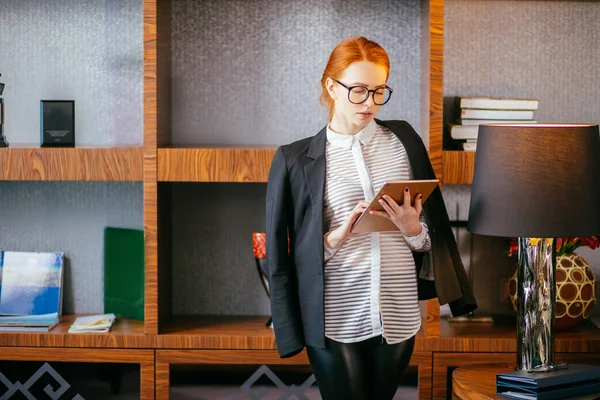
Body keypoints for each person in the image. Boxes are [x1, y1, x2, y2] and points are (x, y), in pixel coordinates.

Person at [265, 36, 476, 400]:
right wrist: (335, 237)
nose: (370, 103)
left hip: (399, 313)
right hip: (334, 317)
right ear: (331, 87)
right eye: (359, 90)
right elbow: (280, 255)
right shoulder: (294, 160)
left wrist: (413, 230)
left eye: (379, 91)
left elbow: (433, 235)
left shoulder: (404, 141)